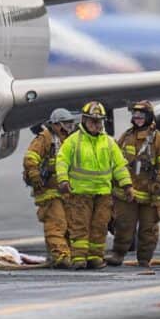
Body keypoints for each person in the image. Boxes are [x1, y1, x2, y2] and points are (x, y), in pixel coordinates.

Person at [56, 102, 132, 269]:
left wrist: (127, 185)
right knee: (79, 226)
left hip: (103, 193)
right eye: (92, 121)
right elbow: (62, 161)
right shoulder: (73, 141)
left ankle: (95, 257)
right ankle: (78, 259)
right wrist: (63, 180)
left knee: (100, 226)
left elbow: (119, 165)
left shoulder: (109, 142)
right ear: (84, 120)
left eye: (99, 122)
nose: (96, 125)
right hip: (80, 194)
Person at [107, 101, 160, 268]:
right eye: (135, 115)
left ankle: (144, 259)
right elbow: (115, 158)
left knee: (148, 229)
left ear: (149, 117)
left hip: (149, 194)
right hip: (127, 194)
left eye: (142, 116)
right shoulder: (126, 137)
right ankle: (118, 254)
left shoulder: (159, 140)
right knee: (123, 225)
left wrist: (159, 183)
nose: (138, 119)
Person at [23, 108, 79, 268]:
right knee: (57, 224)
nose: (69, 126)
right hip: (50, 192)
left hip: (68, 191)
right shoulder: (45, 138)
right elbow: (30, 158)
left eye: (70, 123)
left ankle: (70, 254)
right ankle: (59, 256)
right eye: (66, 124)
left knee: (72, 224)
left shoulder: (70, 139)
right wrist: (34, 175)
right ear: (56, 125)